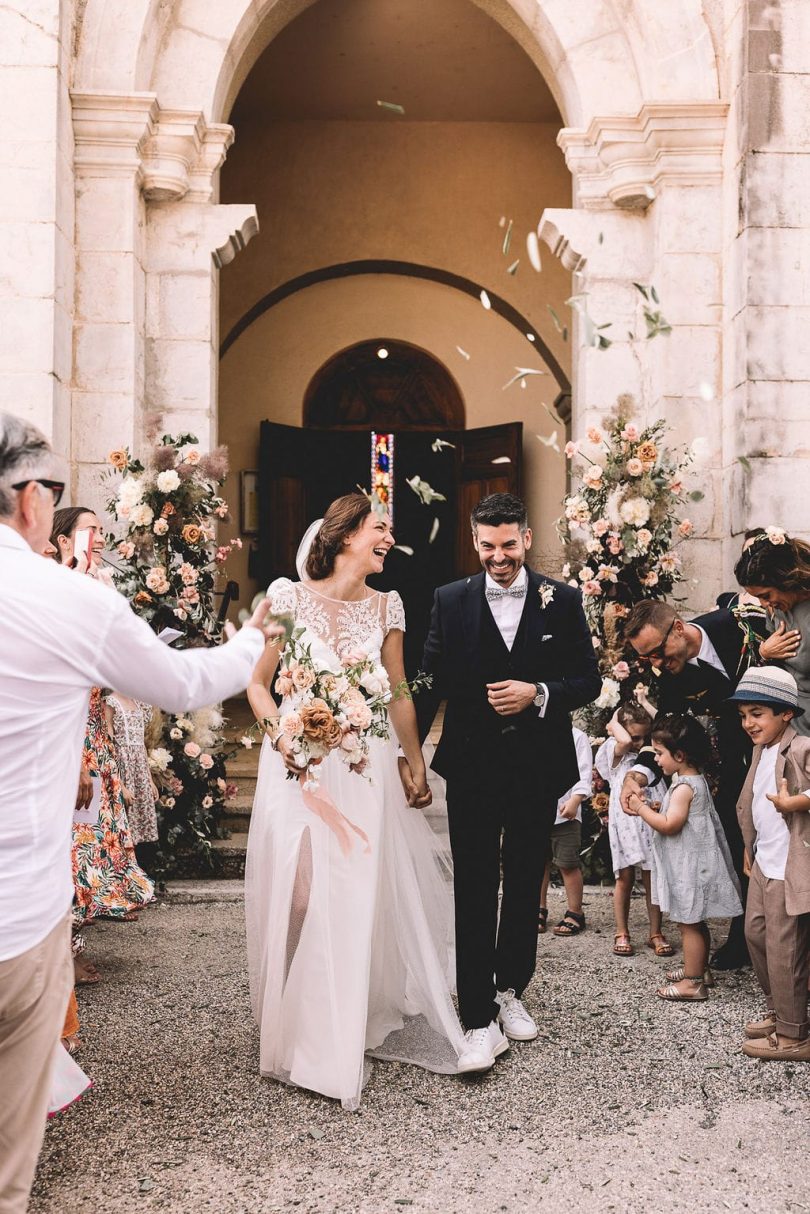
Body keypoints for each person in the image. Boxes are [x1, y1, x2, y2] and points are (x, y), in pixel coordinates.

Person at [0, 412, 279, 1214]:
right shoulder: (68, 599)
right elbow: (184, 685)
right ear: (28, 500)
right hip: (19, 919)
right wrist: (252, 640)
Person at [244, 493, 466, 1112]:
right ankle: (288, 1017)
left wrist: (414, 758)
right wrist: (282, 736)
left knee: (352, 889)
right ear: (344, 536)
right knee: (300, 887)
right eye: (380, 527)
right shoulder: (286, 599)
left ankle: (336, 1027)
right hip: (300, 770)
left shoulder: (388, 607)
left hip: (361, 769)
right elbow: (259, 686)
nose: (389, 538)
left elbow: (396, 691)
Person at [415, 492, 600, 1069]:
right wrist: (409, 755)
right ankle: (474, 1016)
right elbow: (427, 681)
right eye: (489, 546)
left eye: (510, 544)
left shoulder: (562, 601)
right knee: (472, 883)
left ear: (526, 539)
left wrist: (538, 694)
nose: (500, 556)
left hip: (535, 766)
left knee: (524, 881)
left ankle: (509, 989)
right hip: (469, 766)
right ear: (475, 542)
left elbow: (587, 681)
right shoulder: (449, 600)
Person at [621, 598, 755, 969]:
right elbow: (666, 727)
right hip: (728, 770)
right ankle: (743, 936)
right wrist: (638, 774)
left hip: (778, 750)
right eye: (648, 659)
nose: (657, 665)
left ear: (678, 628)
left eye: (659, 653)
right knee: (737, 845)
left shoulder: (736, 626)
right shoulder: (672, 675)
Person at [625, 714, 742, 1001]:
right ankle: (700, 969)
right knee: (696, 921)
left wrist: (641, 808)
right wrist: (655, 805)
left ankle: (692, 982)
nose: (658, 760)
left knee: (688, 923)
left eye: (660, 754)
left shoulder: (683, 787)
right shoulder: (694, 780)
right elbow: (677, 815)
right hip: (697, 863)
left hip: (688, 867)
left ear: (679, 755)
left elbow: (670, 824)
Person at [728, 667, 810, 1061]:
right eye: (744, 715)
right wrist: (750, 845)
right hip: (764, 861)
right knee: (755, 934)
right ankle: (780, 1008)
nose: (748, 723)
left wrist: (799, 801)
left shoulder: (801, 748)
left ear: (786, 714)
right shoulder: (762, 750)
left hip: (788, 868)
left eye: (757, 713)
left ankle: (794, 1034)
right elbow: (755, 801)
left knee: (785, 948)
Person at [595, 702, 672, 959]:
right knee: (624, 878)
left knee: (653, 876)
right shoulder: (616, 752)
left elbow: (658, 725)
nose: (640, 744)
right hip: (626, 823)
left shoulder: (651, 756)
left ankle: (655, 932)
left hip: (650, 817)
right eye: (636, 737)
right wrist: (614, 721)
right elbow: (626, 740)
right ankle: (622, 931)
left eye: (644, 737)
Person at [735, 529, 810, 734]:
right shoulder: (775, 610)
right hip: (790, 722)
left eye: (766, 595)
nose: (764, 604)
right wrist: (764, 653)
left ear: (782, 578)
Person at [539, 725, 592, 937]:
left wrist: (576, 799)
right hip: (535, 811)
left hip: (565, 813)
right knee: (538, 863)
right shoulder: (533, 732)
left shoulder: (577, 737)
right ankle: (539, 909)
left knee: (568, 864)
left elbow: (584, 772)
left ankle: (575, 912)